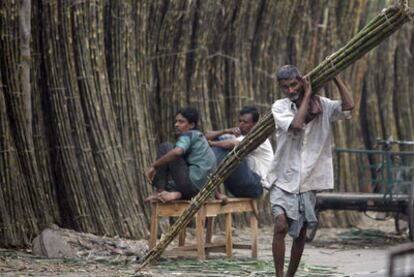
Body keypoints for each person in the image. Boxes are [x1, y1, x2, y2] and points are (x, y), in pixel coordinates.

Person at [266, 65, 354, 277]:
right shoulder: (280, 107)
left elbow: (349, 108)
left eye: (294, 84)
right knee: (280, 226)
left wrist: (337, 79)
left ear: (301, 81)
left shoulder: (322, 104)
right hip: (283, 177)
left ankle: (290, 276)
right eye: (285, 87)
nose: (290, 90)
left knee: (301, 233)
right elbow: (296, 125)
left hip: (308, 179)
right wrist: (306, 94)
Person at [146, 107, 216, 203]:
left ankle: (161, 192)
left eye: (181, 122)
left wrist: (154, 166)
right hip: (202, 191)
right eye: (176, 121)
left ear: (191, 125)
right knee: (171, 172)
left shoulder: (188, 135)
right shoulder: (200, 138)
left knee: (166, 147)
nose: (176, 124)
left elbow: (177, 152)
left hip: (192, 185)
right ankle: (177, 193)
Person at [205, 106, 274, 198]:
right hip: (240, 185)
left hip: (256, 186)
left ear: (255, 124)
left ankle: (210, 188)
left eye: (245, 122)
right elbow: (204, 138)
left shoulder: (259, 138)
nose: (241, 125)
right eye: (240, 121)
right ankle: (210, 188)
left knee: (225, 150)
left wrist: (212, 143)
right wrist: (225, 131)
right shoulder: (239, 136)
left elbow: (233, 145)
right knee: (219, 145)